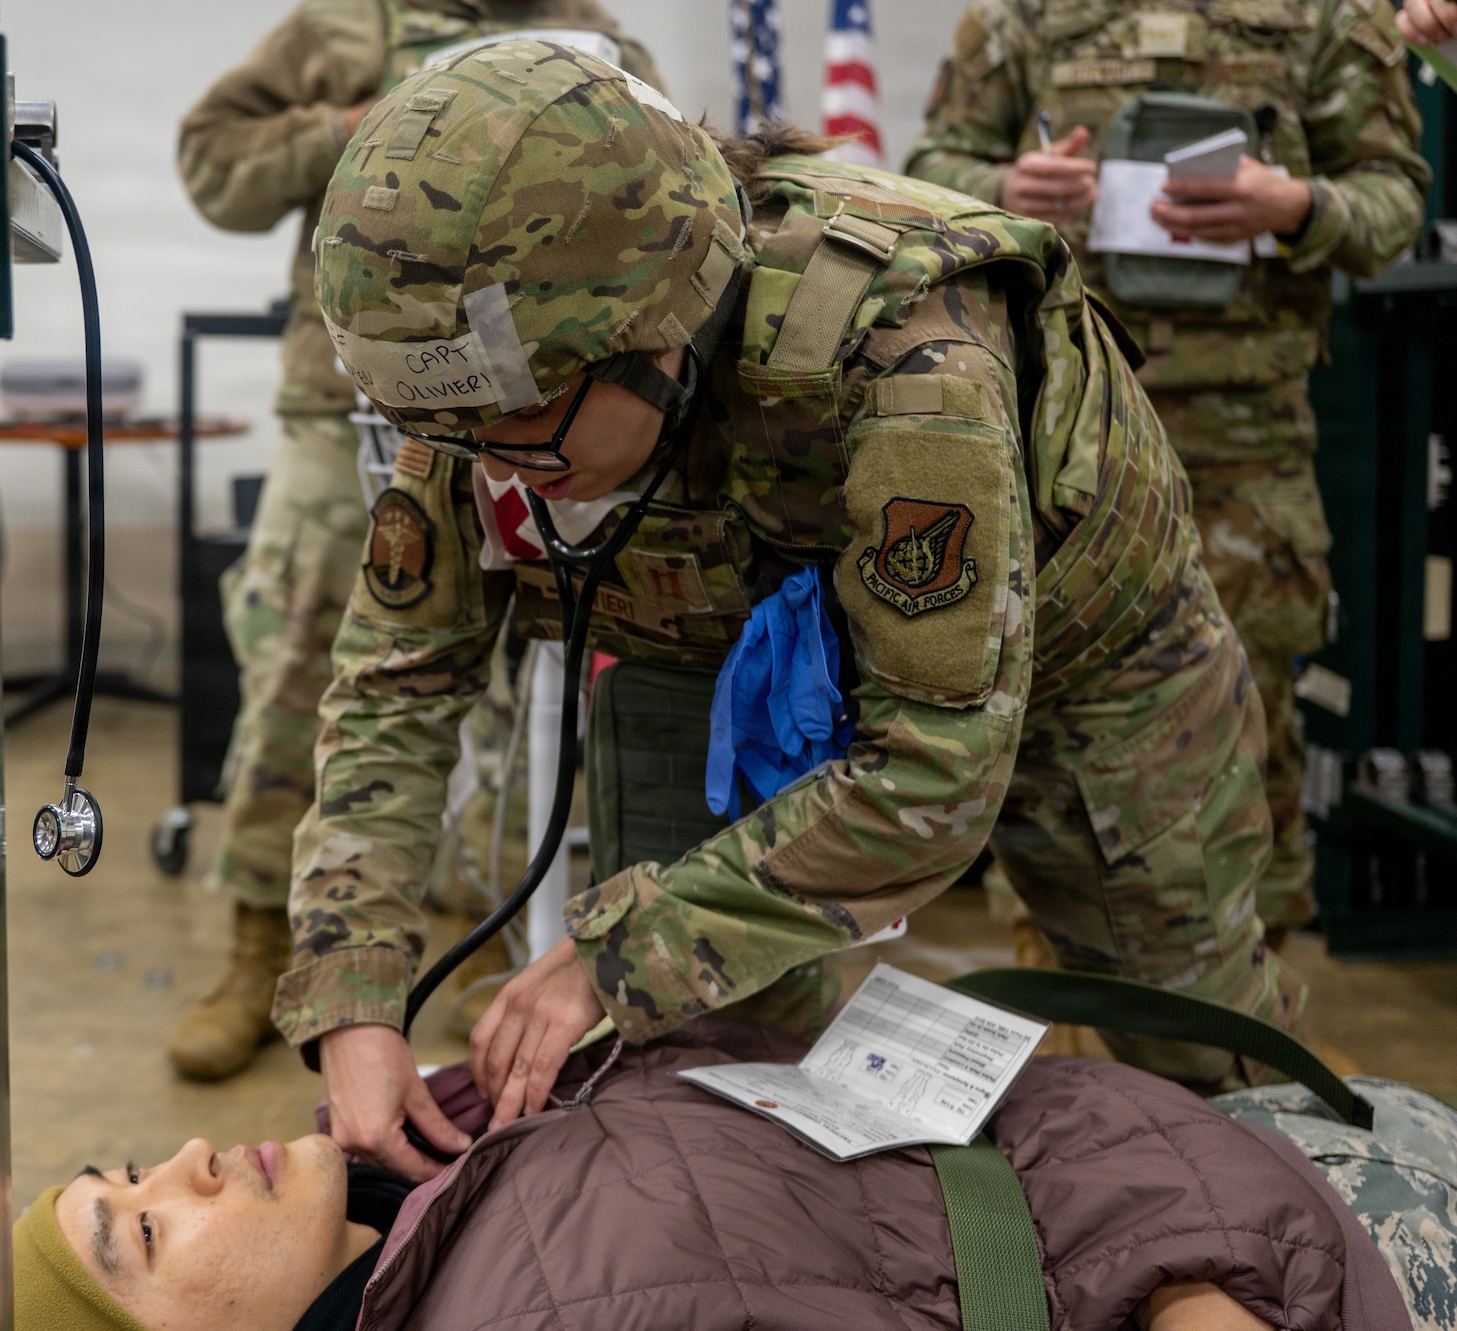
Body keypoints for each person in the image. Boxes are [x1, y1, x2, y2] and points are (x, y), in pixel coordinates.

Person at [278, 37, 1308, 1181]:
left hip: (1087, 670)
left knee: (1196, 1066)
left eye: (521, 437)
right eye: (449, 434)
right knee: (703, 1071)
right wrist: (352, 992)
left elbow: (932, 771)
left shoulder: (906, 350)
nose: (485, 474)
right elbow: (395, 684)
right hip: (717, 651)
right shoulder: (493, 383)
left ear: (655, 332)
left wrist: (610, 952)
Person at [168, 0, 663, 1082]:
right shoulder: (344, 24)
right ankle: (267, 949)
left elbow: (665, 183)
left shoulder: (593, 34)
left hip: (549, 395)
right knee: (308, 669)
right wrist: (350, 126)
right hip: (352, 401)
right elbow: (211, 167)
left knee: (553, 681)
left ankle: (495, 937)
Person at [902, 0, 1429, 941]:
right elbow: (932, 165)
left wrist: (1300, 205)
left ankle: (1246, 1045)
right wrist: (1007, 182)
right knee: (1045, 732)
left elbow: (1394, 195)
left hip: (1248, 451)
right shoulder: (1022, 13)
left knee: (1246, 727)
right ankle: (1057, 1034)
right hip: (1068, 438)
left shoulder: (1323, 16)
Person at [9, 1021, 1452, 1331]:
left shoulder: (438, 1187)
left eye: (136, 1166)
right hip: (1317, 1242)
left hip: (1226, 1158)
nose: (191, 1157)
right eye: (142, 1224)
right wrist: (1188, 1284)